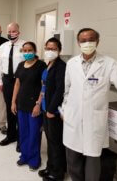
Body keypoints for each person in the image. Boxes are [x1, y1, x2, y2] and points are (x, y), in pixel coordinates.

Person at [61, 28, 117, 181]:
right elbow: (67, 90)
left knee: (93, 158)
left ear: (98, 41)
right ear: (78, 42)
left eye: (91, 39)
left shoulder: (109, 63)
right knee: (73, 159)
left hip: (94, 120)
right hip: (73, 118)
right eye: (83, 40)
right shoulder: (71, 63)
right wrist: (64, 110)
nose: (87, 43)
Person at [11, 41, 47, 171]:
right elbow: (17, 84)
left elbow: (44, 86)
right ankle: (24, 156)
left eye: (29, 50)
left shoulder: (41, 65)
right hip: (21, 104)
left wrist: (38, 104)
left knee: (34, 133)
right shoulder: (21, 65)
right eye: (24, 51)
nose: (27, 53)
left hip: (34, 105)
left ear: (35, 50)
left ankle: (34, 159)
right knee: (23, 132)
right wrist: (13, 102)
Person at [38, 38, 66, 181]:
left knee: (56, 142)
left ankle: (57, 173)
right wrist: (40, 103)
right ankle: (50, 167)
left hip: (53, 111)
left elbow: (60, 90)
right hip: (45, 108)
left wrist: (51, 109)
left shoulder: (61, 66)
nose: (50, 51)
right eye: (48, 48)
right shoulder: (49, 64)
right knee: (49, 140)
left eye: (53, 48)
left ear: (59, 50)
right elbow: (44, 86)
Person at [0, 22, 26, 150]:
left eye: (14, 31)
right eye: (9, 31)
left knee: (20, 108)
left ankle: (21, 138)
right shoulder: (3, 46)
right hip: (7, 80)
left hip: (21, 80)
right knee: (9, 108)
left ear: (19, 32)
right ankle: (10, 135)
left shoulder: (25, 45)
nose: (11, 33)